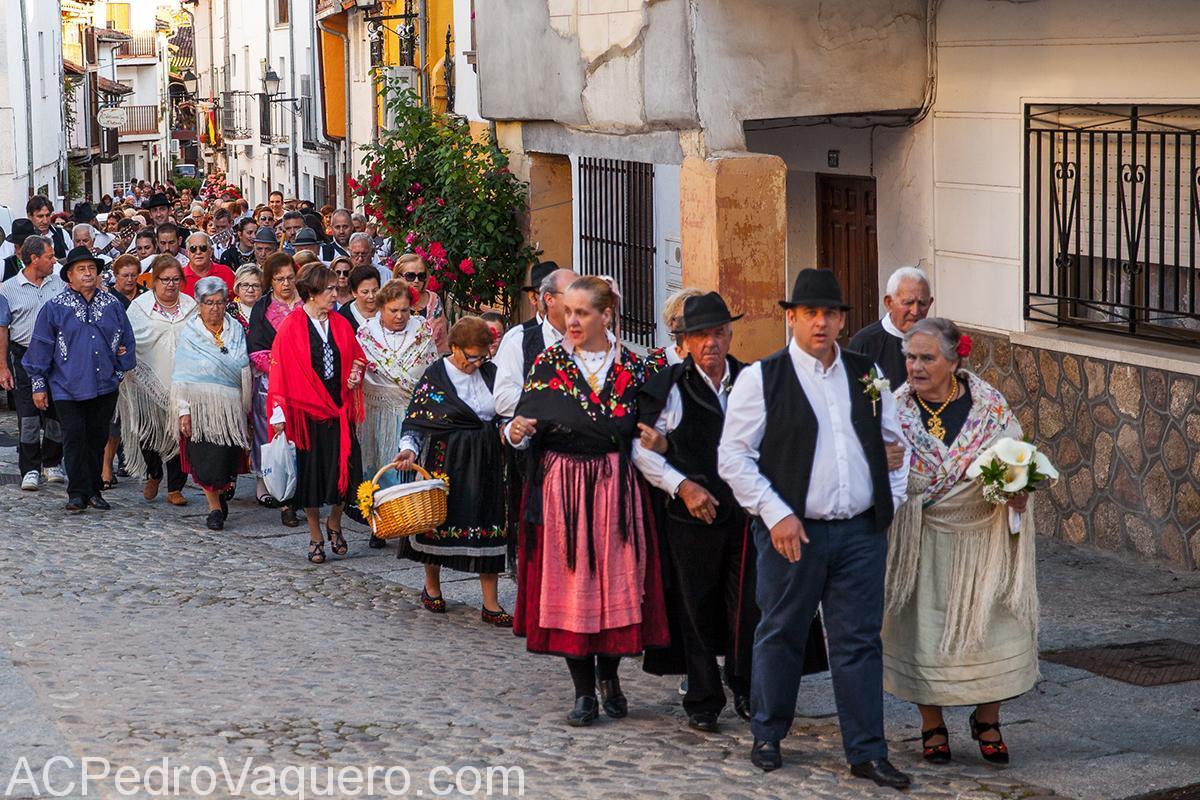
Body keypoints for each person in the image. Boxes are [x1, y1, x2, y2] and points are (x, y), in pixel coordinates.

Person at [717, 269, 911, 786]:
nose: (820, 322)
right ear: (792, 318)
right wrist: (775, 513)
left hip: (859, 534)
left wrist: (886, 507)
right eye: (810, 313)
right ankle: (767, 732)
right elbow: (733, 458)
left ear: (843, 320)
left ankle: (867, 751)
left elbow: (897, 446)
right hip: (792, 532)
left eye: (830, 313)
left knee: (860, 640)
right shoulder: (764, 378)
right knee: (781, 631)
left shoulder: (866, 373)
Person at [634, 292, 826, 733]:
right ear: (684, 341)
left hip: (745, 516)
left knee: (751, 604)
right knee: (695, 605)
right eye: (700, 335)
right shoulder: (670, 386)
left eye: (718, 333)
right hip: (690, 516)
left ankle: (746, 686)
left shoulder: (751, 379)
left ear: (729, 335)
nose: (711, 343)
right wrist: (683, 487)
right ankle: (703, 697)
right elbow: (643, 451)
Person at [507, 275, 669, 727]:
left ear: (606, 315)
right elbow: (523, 425)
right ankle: (583, 692)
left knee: (614, 586)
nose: (572, 321)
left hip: (616, 489)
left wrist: (660, 445)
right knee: (573, 587)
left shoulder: (634, 368)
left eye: (582, 313)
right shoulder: (548, 363)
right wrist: (515, 432)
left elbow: (649, 431)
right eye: (568, 312)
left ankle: (610, 677)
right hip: (563, 487)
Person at [883, 317, 1037, 767]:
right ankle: (931, 724)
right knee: (921, 634)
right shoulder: (894, 411)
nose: (915, 366)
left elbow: (1015, 455)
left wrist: (1017, 489)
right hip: (921, 543)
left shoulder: (989, 406)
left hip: (982, 542)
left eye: (926, 357)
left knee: (990, 629)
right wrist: (882, 459)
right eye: (910, 357)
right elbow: (877, 471)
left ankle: (988, 719)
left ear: (953, 360)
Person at [394, 317, 509, 622]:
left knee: (489, 524)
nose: (477, 363)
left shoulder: (492, 373)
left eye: (483, 356)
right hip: (444, 460)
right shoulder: (435, 377)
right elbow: (417, 421)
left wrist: (505, 429)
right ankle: (432, 587)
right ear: (454, 347)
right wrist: (408, 449)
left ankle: (491, 603)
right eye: (472, 356)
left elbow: (505, 412)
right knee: (437, 523)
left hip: (485, 462)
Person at [266, 262, 366, 563]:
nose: (335, 294)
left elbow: (357, 357)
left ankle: (334, 521)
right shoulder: (291, 326)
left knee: (348, 472)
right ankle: (314, 534)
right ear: (311, 292)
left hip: (339, 410)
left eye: (336, 289)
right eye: (329, 289)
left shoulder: (340, 323)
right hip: (306, 413)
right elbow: (279, 372)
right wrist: (278, 414)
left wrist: (354, 375)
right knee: (311, 476)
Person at [23, 247, 136, 511]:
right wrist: (38, 385)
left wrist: (118, 372)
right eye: (81, 269)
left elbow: (127, 341)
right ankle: (76, 492)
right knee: (74, 436)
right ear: (69, 276)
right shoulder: (54, 308)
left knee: (97, 438)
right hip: (66, 386)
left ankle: (94, 490)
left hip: (104, 386)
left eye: (92, 269)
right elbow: (40, 347)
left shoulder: (111, 305)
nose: (88, 274)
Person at [357, 279, 437, 532]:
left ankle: (411, 519)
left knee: (410, 464)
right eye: (394, 310)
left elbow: (431, 368)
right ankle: (379, 522)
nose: (400, 316)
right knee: (380, 465)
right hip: (377, 411)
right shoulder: (367, 333)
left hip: (412, 410)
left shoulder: (422, 329)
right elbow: (360, 368)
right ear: (381, 308)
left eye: (405, 310)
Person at [173, 276, 252, 532]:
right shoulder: (190, 334)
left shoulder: (236, 330)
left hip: (231, 406)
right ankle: (214, 508)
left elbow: (242, 364)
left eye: (219, 302)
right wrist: (184, 411)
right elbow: (182, 375)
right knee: (206, 458)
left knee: (227, 457)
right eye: (209, 303)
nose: (214, 308)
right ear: (199, 304)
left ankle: (223, 491)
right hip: (201, 408)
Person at [121, 255, 197, 507]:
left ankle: (176, 487)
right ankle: (154, 474)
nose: (171, 284)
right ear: (154, 281)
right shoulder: (140, 307)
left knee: (180, 434)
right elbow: (131, 339)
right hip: (149, 381)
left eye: (176, 279)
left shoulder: (190, 306)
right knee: (149, 432)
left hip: (183, 380)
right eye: (165, 279)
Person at [0, 235, 67, 491]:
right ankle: (29, 467)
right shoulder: (8, 289)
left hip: (56, 357)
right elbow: (2, 329)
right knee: (28, 415)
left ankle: (52, 462)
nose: (54, 260)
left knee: (55, 412)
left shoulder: (58, 284)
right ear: (33, 258)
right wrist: (2, 366)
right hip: (24, 356)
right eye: (49, 256)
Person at [247, 253, 304, 520]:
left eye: (290, 278)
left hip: (304, 382)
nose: (285, 284)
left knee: (300, 432)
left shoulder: (306, 305)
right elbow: (256, 347)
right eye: (279, 279)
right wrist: (280, 366)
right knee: (266, 430)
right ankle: (264, 481)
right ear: (270, 281)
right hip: (271, 380)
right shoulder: (262, 307)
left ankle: (298, 486)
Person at [492, 267, 576, 419]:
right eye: (572, 294)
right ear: (548, 299)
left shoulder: (596, 339)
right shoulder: (518, 340)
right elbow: (503, 399)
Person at [848, 266, 933, 388]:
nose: (915, 311)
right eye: (908, 303)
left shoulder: (938, 342)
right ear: (889, 303)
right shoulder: (865, 344)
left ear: (930, 303)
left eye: (922, 303)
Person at [394, 254, 442, 352]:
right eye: (410, 276)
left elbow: (441, 340)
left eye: (421, 276)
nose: (416, 281)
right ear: (399, 277)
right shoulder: (390, 300)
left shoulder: (433, 299)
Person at [181, 232, 237, 297]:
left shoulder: (226, 272)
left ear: (211, 251)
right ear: (188, 253)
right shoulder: (179, 277)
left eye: (203, 248)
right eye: (193, 249)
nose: (198, 252)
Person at [337, 264, 380, 333]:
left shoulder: (389, 309)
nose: (371, 296)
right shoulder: (343, 316)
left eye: (375, 291)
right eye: (365, 292)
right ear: (354, 292)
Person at [229, 265, 263, 332]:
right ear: (237, 287)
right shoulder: (228, 311)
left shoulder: (269, 309)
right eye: (245, 285)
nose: (250, 290)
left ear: (262, 288)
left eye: (256, 286)